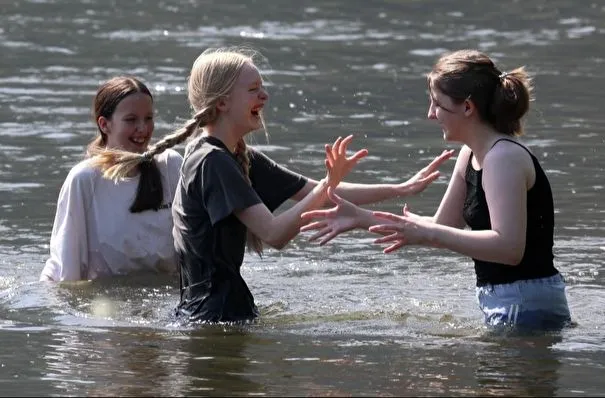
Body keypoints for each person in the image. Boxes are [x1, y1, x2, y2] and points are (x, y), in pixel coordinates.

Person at [90, 47, 454, 324]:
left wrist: (401, 188)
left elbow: (319, 191)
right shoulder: (212, 161)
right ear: (222, 102)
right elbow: (275, 233)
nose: (264, 97)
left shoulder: (235, 154)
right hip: (214, 318)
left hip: (215, 315)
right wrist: (330, 181)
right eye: (253, 90)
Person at [301, 49, 572, 331]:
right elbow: (443, 226)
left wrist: (429, 233)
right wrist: (361, 217)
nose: (430, 114)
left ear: (467, 107)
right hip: (506, 303)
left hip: (529, 307)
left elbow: (509, 248)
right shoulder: (470, 155)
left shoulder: (503, 158)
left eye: (437, 104)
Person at [40, 76, 184, 282]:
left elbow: (194, 248)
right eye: (131, 120)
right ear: (104, 124)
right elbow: (67, 270)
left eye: (148, 118)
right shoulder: (85, 180)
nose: (143, 129)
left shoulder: (170, 166)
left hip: (164, 295)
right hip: (104, 302)